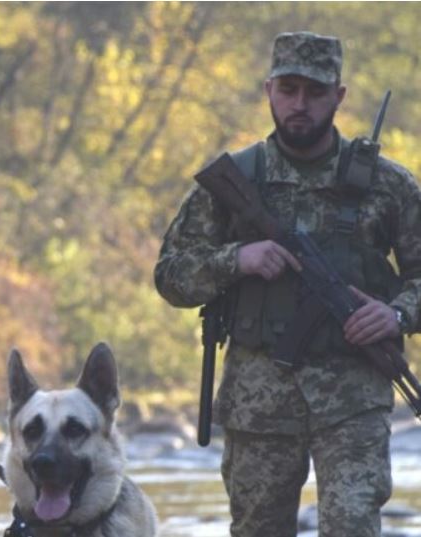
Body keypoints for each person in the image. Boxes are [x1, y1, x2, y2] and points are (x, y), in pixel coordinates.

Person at [155, 31, 421, 537]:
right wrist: (237, 260)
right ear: (269, 89)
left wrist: (398, 314)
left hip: (354, 398)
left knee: (351, 526)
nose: (300, 104)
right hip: (258, 403)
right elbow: (170, 276)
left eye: (316, 92)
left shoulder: (388, 186)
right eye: (289, 89)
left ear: (339, 96)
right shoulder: (235, 181)